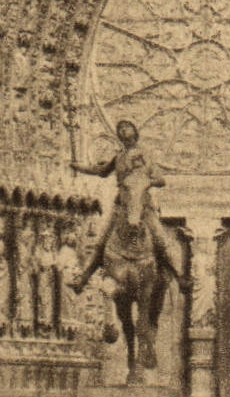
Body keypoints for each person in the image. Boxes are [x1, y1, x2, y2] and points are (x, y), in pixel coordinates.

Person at [69, 120, 182, 293]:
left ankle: (180, 276)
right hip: (121, 206)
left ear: (134, 132)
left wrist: (144, 182)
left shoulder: (145, 154)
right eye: (120, 129)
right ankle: (84, 277)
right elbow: (101, 171)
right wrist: (79, 167)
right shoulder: (119, 156)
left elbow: (160, 179)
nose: (123, 131)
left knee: (161, 239)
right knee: (102, 239)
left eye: (126, 128)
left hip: (143, 207)